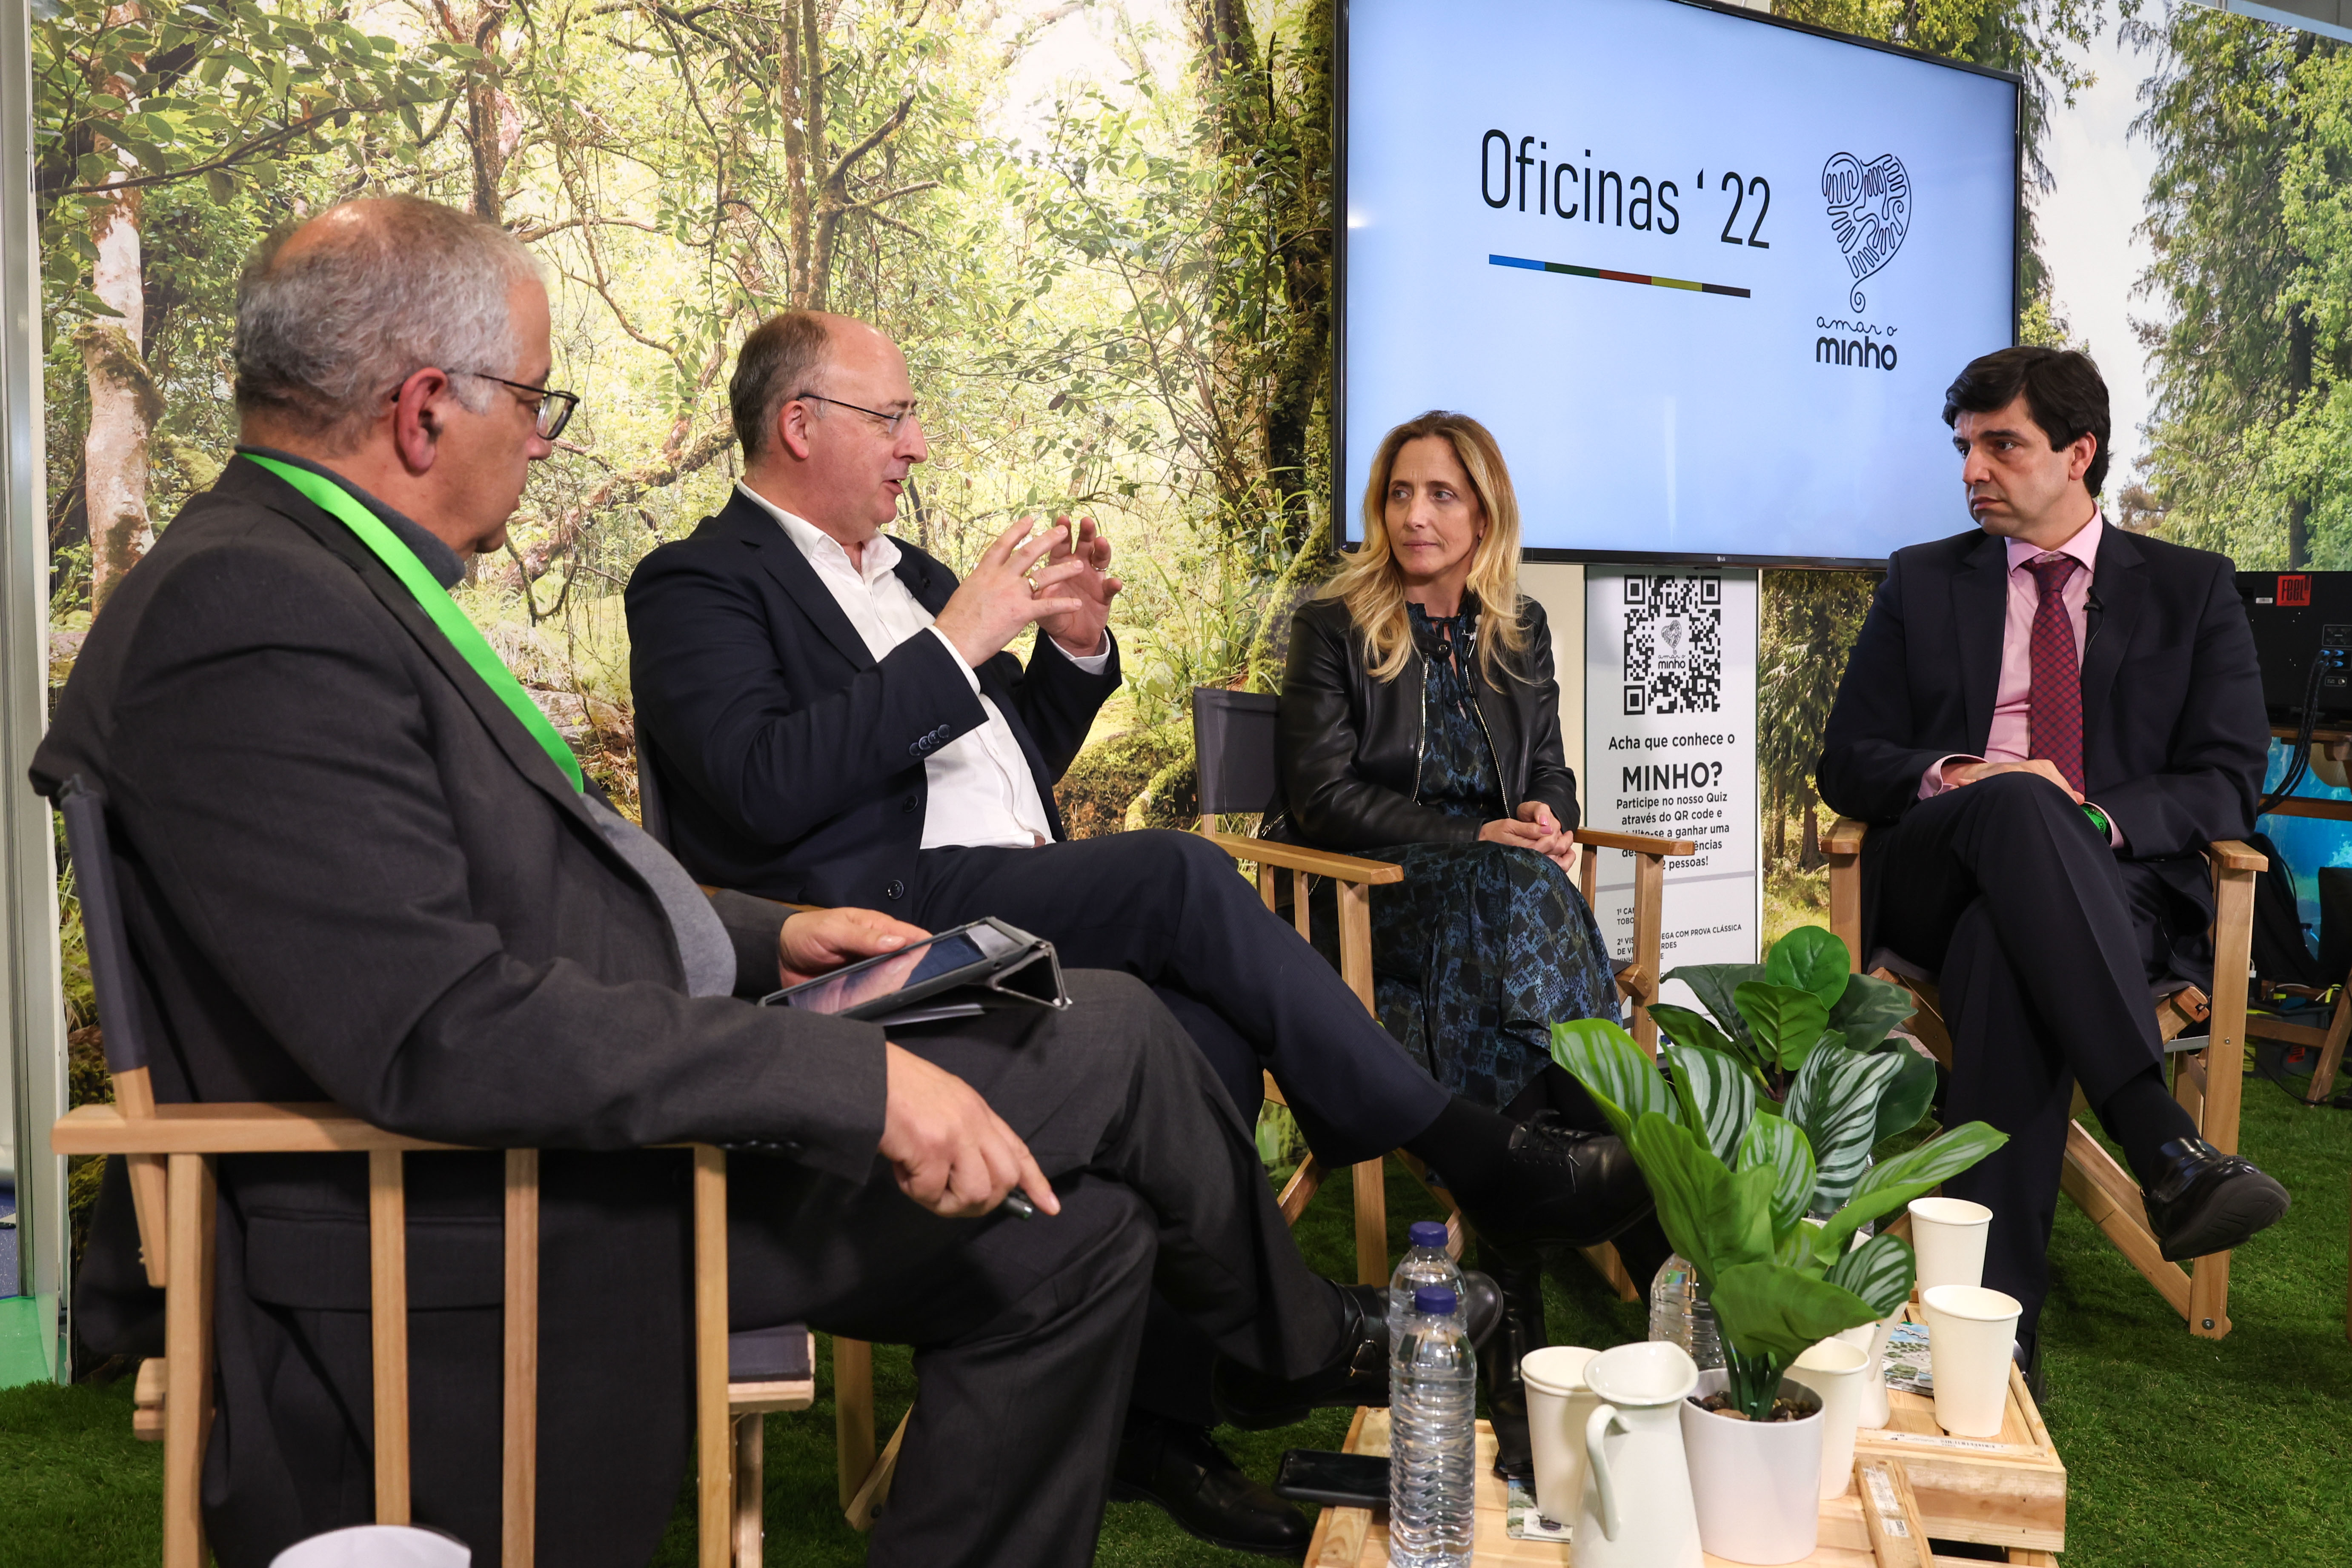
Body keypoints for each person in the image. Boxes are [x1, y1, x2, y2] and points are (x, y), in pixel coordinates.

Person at [34, 195, 1407, 1568]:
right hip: (503, 1206)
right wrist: (848, 1080)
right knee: (1108, 1022)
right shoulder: (256, 614)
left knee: (1082, 1237)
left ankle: (1278, 1342)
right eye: (532, 397)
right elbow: (441, 1026)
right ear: (423, 411)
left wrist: (775, 933)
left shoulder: (313, 581)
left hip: (585, 1138)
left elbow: (525, 891)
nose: (541, 436)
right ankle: (1298, 1342)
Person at [624, 309, 1652, 1547]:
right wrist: (963, 639)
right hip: (866, 926)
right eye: (892, 417)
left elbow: (1002, 764)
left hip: (996, 881)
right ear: (800, 424)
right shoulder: (699, 581)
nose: (917, 444)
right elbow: (759, 785)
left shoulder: (912, 575)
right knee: (1176, 875)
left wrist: (1067, 649)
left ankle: (1154, 1426)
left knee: (1204, 1033)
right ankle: (1451, 1147)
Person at [1817, 346, 2290, 1384]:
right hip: (1940, 867)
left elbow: (2226, 783)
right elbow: (1845, 761)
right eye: (1965, 448)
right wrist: (1960, 773)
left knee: (2006, 946)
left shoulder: (2190, 589)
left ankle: (1995, 1337)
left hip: (2108, 888)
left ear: (2078, 453)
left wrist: (2099, 816)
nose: (1973, 470)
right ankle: (2157, 1134)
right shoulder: (1922, 581)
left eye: (2002, 445)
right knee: (2016, 805)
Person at [1262, 409, 1656, 1479]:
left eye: (1441, 495)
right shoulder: (1335, 626)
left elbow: (1554, 775)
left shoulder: (1516, 629)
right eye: (1400, 493)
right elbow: (1323, 796)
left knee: (1515, 888)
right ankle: (1649, 1216)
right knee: (1507, 885)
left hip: (1495, 914)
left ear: (1484, 512)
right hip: (1373, 897)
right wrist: (1476, 837)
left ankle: (1517, 1278)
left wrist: (1546, 816)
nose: (1416, 515)